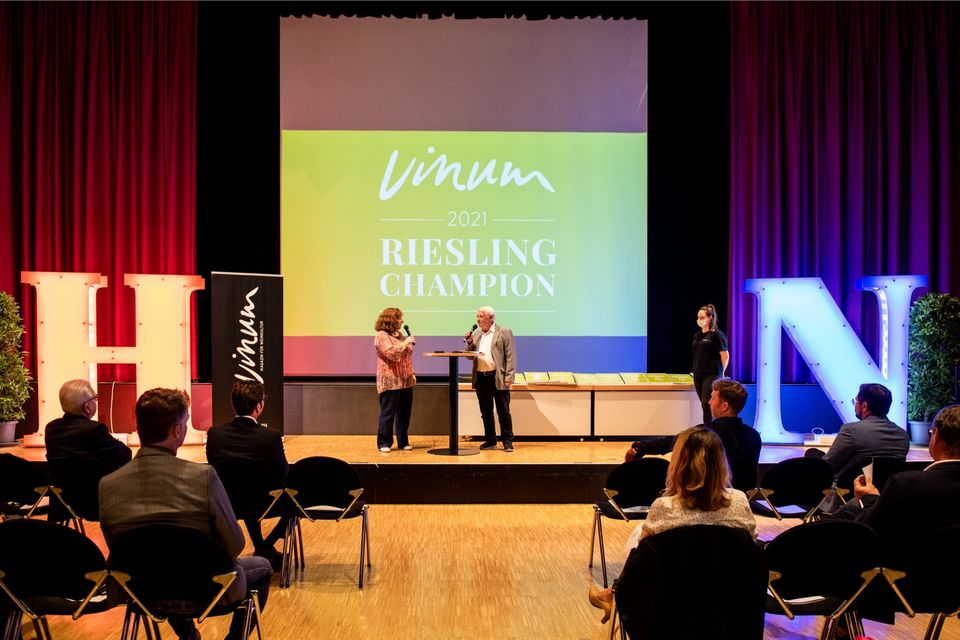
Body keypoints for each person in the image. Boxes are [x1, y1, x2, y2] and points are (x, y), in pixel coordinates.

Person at [99, 388, 271, 640]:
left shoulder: (108, 484)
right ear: (178, 431)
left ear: (138, 427)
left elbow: (117, 546)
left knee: (162, 565)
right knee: (263, 567)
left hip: (141, 590)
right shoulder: (203, 477)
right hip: (205, 588)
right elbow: (235, 545)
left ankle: (188, 636)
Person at [588, 427, 757, 622]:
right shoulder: (740, 501)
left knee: (639, 542)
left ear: (679, 465)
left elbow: (642, 564)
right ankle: (613, 593)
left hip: (671, 602)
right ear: (721, 463)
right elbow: (751, 550)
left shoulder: (664, 507)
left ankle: (613, 593)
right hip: (728, 600)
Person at [206, 380, 289, 569]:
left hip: (227, 504)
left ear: (233, 404)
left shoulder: (215, 435)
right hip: (265, 503)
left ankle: (262, 547)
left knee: (245, 488)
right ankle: (265, 547)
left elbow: (214, 469)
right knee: (296, 501)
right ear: (259, 406)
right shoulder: (271, 437)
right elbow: (284, 473)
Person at [626, 379, 761, 492]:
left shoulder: (705, 433)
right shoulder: (753, 436)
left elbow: (670, 443)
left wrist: (638, 447)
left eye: (712, 398)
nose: (709, 402)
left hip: (709, 498)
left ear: (724, 406)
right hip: (742, 498)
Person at [807, 382, 909, 483]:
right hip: (887, 491)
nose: (854, 405)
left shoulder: (851, 430)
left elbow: (827, 464)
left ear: (864, 406)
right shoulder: (903, 435)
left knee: (812, 455)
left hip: (851, 489)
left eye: (855, 401)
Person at [44, 379, 132, 468]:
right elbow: (125, 455)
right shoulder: (95, 430)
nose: (96, 401)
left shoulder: (51, 428)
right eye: (95, 398)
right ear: (87, 407)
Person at [464, 305, 516, 451]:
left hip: (497, 377)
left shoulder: (504, 332)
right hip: (481, 377)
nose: (478, 319)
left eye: (481, 316)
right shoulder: (477, 335)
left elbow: (511, 355)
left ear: (491, 318)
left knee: (503, 411)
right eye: (477, 316)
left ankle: (507, 441)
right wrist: (470, 342)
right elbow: (469, 357)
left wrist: (509, 376)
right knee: (486, 412)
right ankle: (491, 440)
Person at [375, 307, 416, 452]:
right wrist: (406, 343)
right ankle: (384, 443)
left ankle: (403, 441)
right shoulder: (381, 335)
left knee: (404, 413)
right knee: (388, 413)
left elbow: (406, 356)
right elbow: (392, 353)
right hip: (390, 381)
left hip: (405, 380)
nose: (402, 321)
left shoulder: (399, 335)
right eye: (399, 318)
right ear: (391, 320)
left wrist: (412, 373)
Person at [692, 304, 729, 424]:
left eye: (702, 317)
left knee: (707, 403)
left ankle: (710, 430)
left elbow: (725, 356)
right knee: (704, 405)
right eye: (698, 317)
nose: (699, 320)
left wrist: (721, 373)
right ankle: (709, 428)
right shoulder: (697, 336)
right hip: (698, 374)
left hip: (712, 374)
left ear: (710, 318)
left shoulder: (717, 335)